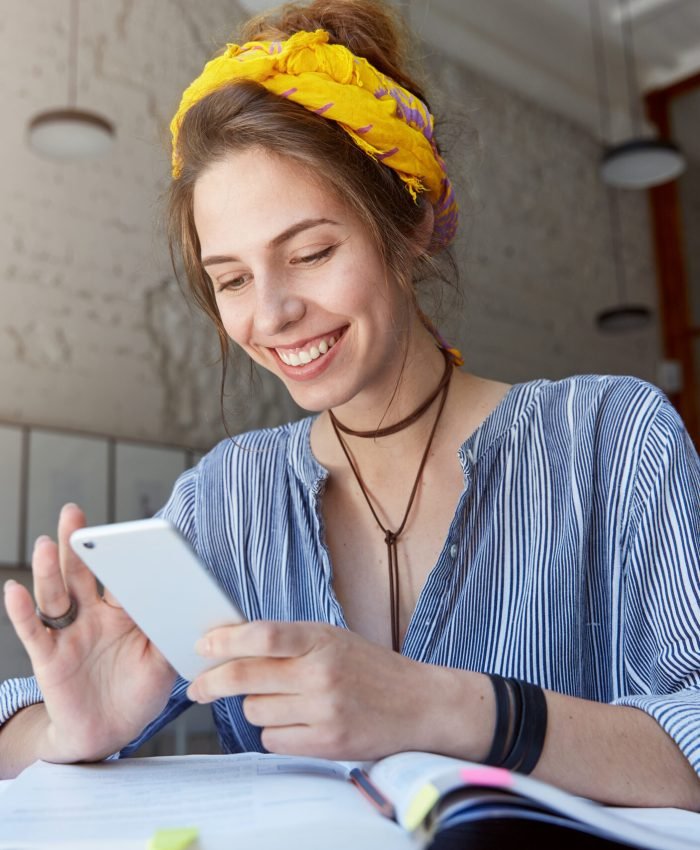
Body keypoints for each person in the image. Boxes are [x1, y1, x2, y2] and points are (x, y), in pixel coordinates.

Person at [1, 0, 699, 811]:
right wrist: (65, 733)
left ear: (408, 227)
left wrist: (440, 707)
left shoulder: (614, 442)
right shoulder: (227, 501)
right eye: (231, 280)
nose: (271, 314)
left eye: (311, 252)